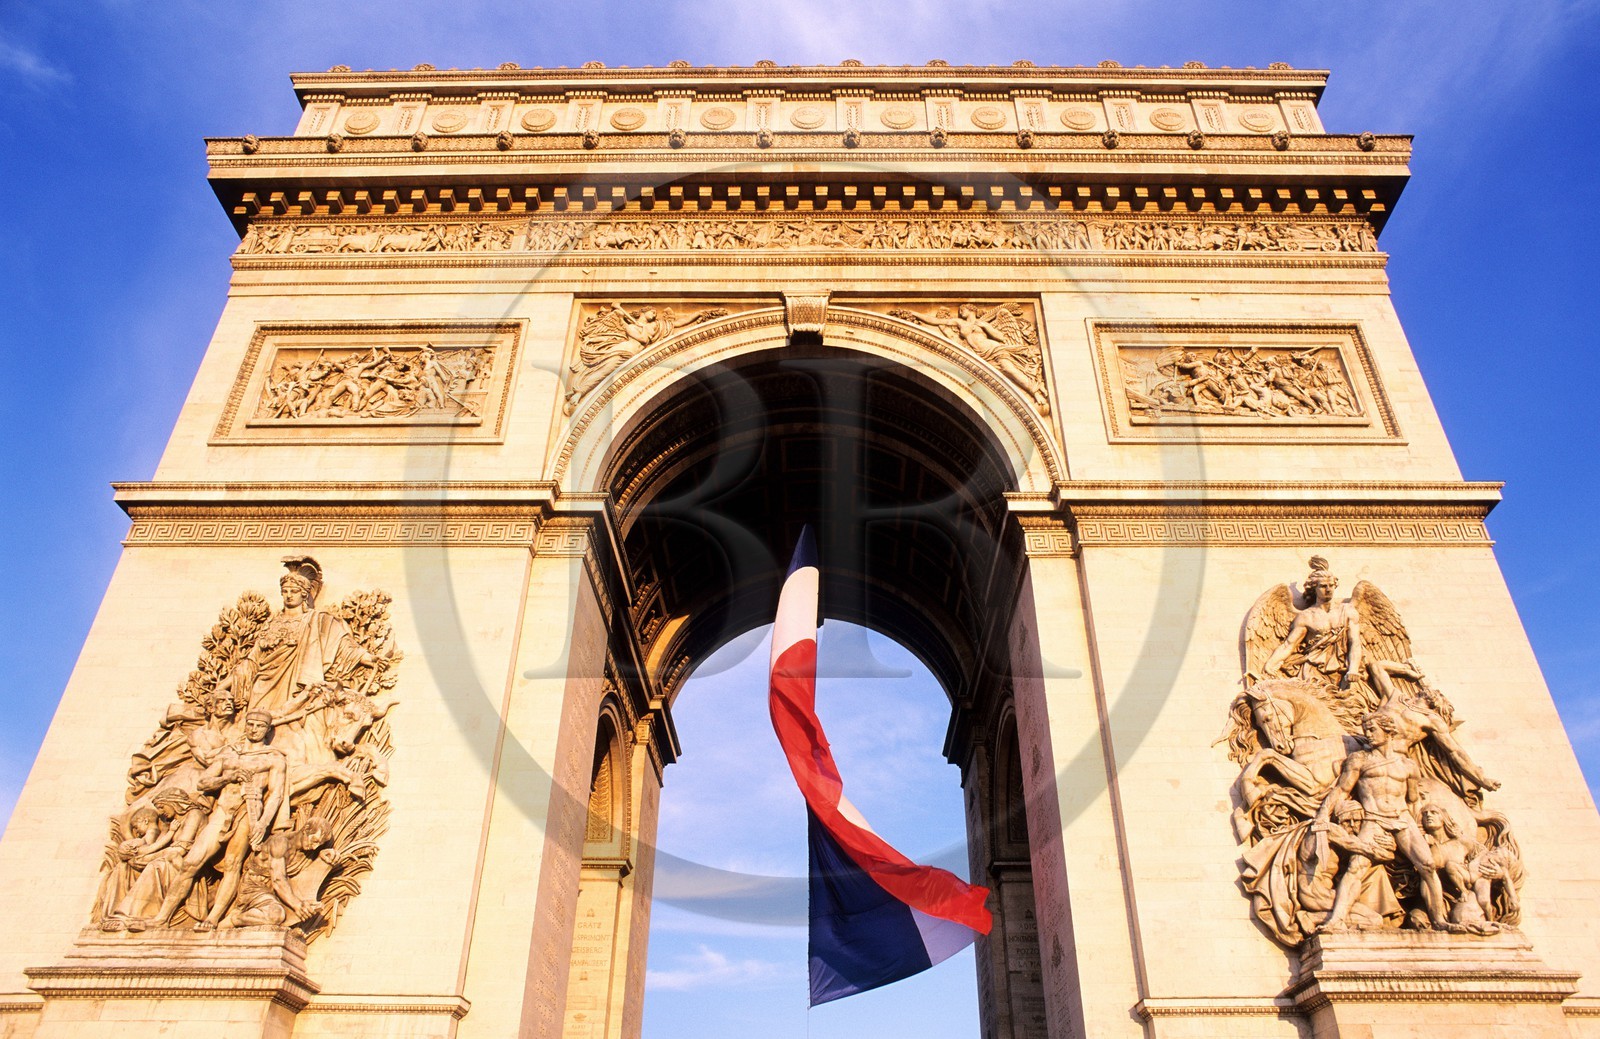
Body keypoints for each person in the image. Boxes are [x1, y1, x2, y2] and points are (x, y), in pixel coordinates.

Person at [1310, 713, 1448, 932]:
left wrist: (1422, 830)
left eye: (1372, 729)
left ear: (1388, 731)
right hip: (1374, 819)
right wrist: (1323, 814)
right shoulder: (1359, 760)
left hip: (1402, 819)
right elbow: (1342, 790)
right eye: (1366, 730)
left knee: (1428, 866)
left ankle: (1439, 920)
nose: (1368, 734)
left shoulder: (1408, 765)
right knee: (1356, 867)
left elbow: (1412, 800)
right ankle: (1336, 920)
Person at [212, 557, 374, 718]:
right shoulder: (272, 623)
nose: (289, 595)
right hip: (263, 685)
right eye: (285, 591)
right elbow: (252, 661)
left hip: (297, 682)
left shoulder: (317, 619)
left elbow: (341, 641)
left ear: (304, 594)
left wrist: (366, 657)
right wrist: (222, 686)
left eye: (294, 591)